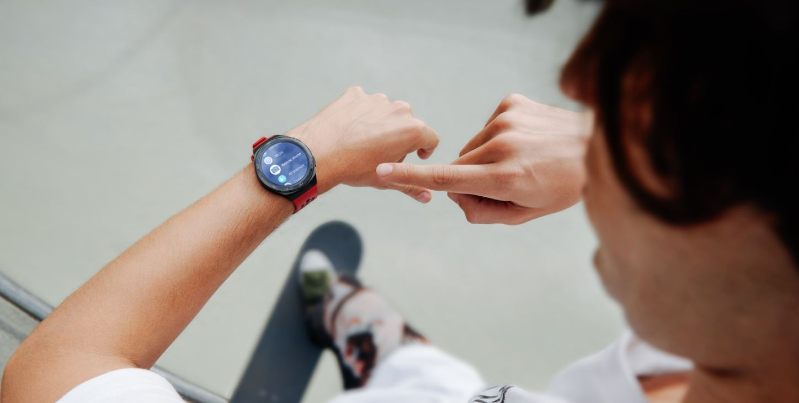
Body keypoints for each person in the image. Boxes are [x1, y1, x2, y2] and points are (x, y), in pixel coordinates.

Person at [3, 0, 798, 402]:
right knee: (431, 376)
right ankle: (377, 337)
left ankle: (361, 327)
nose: (574, 84)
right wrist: (604, 154)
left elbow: (55, 374)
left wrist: (298, 163)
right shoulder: (733, 333)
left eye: (647, 119)